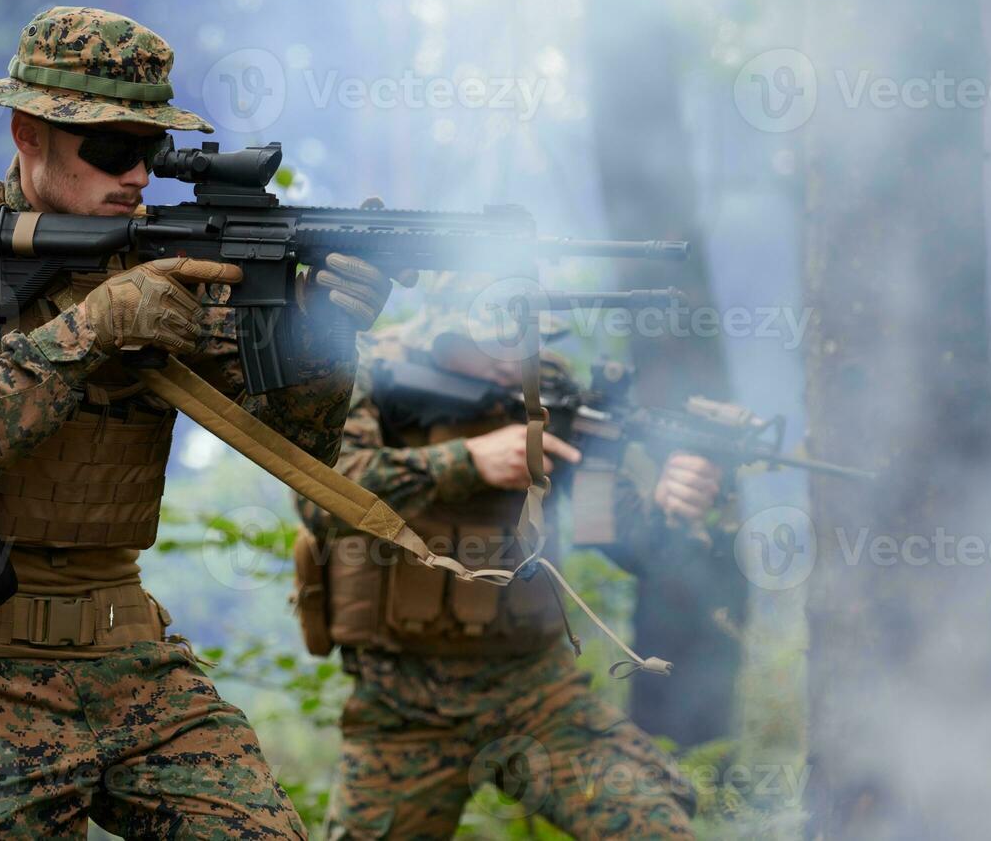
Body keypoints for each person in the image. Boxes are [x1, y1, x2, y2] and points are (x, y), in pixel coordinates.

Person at [0, 6, 405, 839]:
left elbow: (304, 452)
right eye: (111, 149)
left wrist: (317, 340)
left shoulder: (168, 252)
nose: (136, 175)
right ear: (28, 133)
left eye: (149, 150)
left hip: (128, 652)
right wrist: (96, 326)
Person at [292, 283, 722, 840]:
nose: (513, 365)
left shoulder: (555, 389)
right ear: (447, 332)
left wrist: (672, 511)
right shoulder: (367, 371)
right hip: (401, 704)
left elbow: (616, 536)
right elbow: (319, 496)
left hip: (537, 691)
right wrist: (464, 461)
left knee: (657, 829)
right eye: (495, 346)